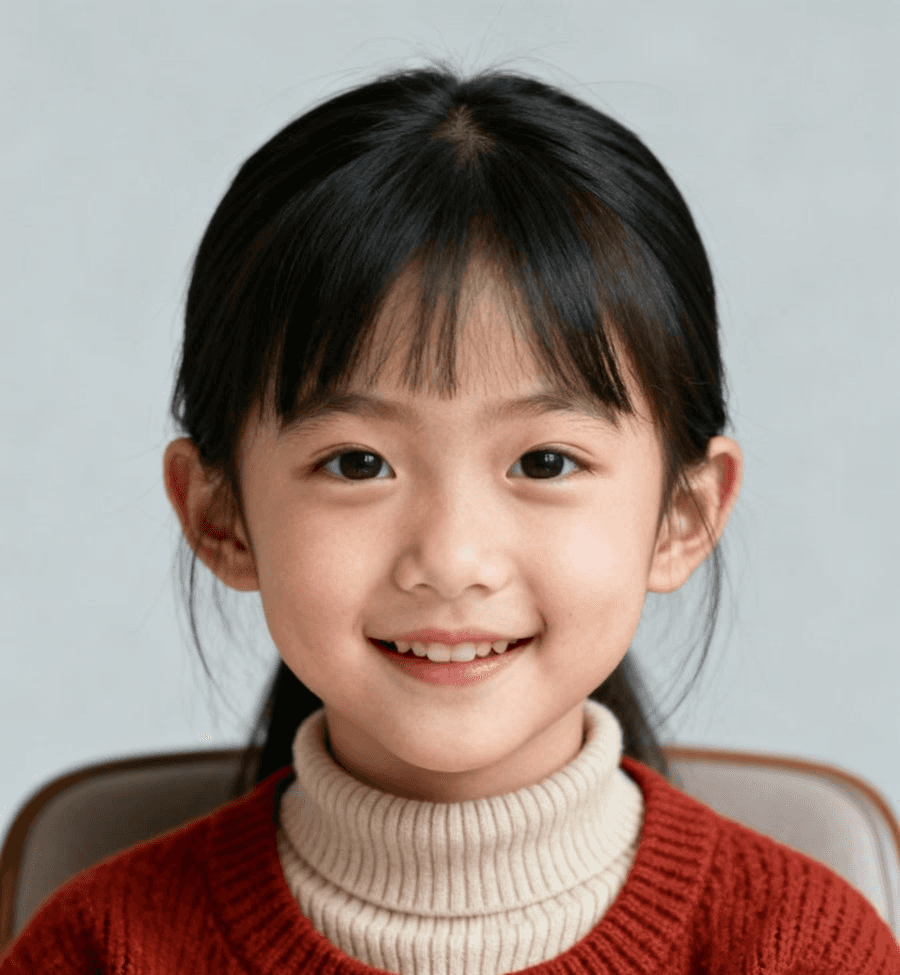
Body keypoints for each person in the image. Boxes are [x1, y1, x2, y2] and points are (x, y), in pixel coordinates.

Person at [3, 65, 898, 975]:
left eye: (544, 462)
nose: (453, 558)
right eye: (358, 462)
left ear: (683, 515)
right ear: (219, 515)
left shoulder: (798, 949)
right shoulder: (99, 951)